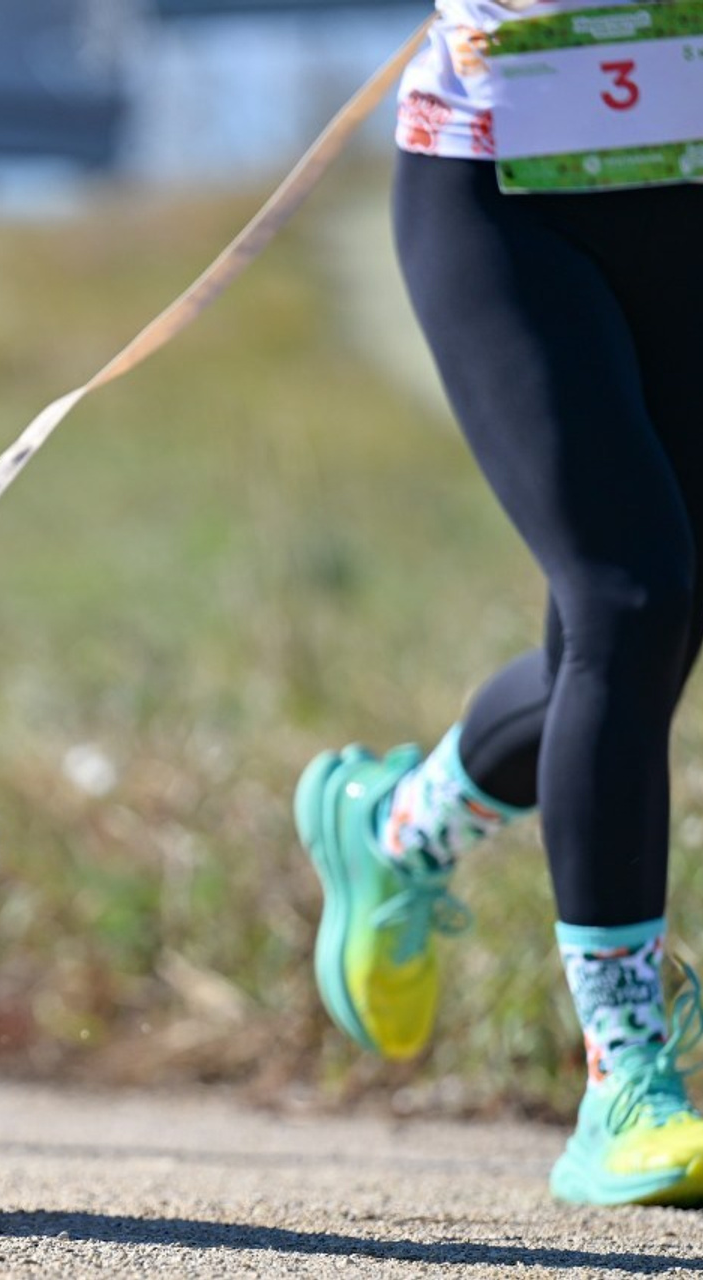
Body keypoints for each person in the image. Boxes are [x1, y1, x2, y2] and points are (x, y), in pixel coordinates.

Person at [296, 0, 703, 1207]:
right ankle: (624, 1077)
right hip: (502, 199)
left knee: (643, 627)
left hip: (686, 192)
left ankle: (397, 830)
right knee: (627, 595)